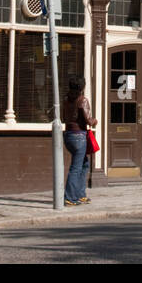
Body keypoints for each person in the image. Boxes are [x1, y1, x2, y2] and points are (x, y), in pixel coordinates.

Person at [63, 75, 97, 206]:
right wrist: (95, 121)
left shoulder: (66, 99)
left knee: (84, 164)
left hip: (68, 135)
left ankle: (80, 195)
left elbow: (63, 116)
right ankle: (70, 197)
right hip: (79, 136)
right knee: (76, 168)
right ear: (82, 87)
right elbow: (89, 120)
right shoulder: (82, 100)